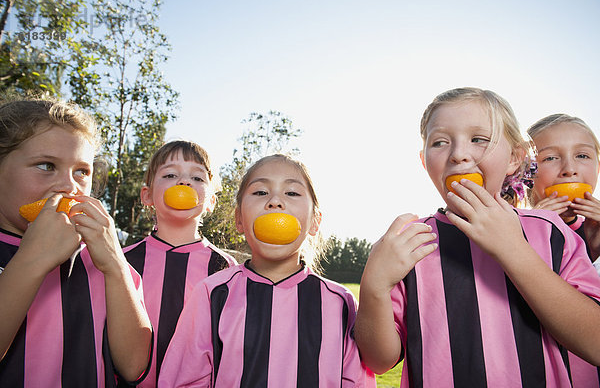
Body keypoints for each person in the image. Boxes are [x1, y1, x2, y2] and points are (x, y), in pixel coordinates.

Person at [355, 87, 600, 387]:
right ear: (424, 161)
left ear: (514, 158)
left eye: (479, 139)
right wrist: (374, 286)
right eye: (440, 142)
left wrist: (511, 248)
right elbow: (379, 361)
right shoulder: (410, 242)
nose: (459, 155)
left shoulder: (550, 231)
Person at [158, 154, 375, 387]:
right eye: (260, 192)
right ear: (239, 219)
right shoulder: (212, 294)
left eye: (292, 193)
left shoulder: (340, 302)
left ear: (315, 221)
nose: (275, 201)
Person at [0, 96, 152, 386]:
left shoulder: (101, 258)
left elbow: (134, 366)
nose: (70, 186)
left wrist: (116, 266)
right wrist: (33, 259)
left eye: (82, 172)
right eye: (46, 165)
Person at [123, 140, 236, 387]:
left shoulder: (226, 268)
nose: (184, 182)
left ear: (211, 201)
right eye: (171, 174)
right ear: (147, 195)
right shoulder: (122, 261)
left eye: (197, 178)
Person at [527, 114, 600, 387]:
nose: (569, 169)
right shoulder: (509, 229)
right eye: (549, 158)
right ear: (525, 172)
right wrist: (531, 229)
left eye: (582, 155)